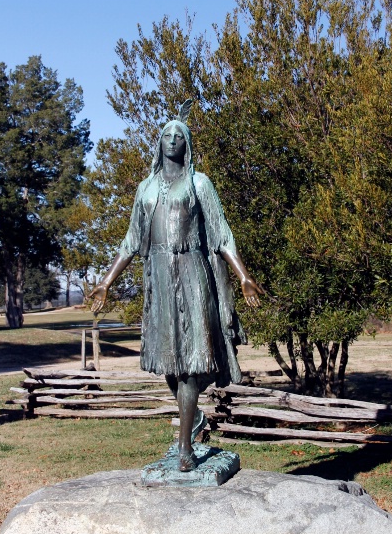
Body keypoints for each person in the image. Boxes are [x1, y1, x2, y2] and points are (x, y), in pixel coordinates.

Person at [89, 107, 263, 471]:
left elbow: (221, 234)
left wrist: (243, 275)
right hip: (159, 279)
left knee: (189, 367)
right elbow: (130, 241)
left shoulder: (200, 184)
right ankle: (194, 416)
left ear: (187, 144)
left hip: (192, 273)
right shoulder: (146, 188)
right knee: (169, 364)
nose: (172, 139)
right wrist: (106, 281)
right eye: (167, 134)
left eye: (179, 134)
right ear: (158, 142)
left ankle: (184, 446)